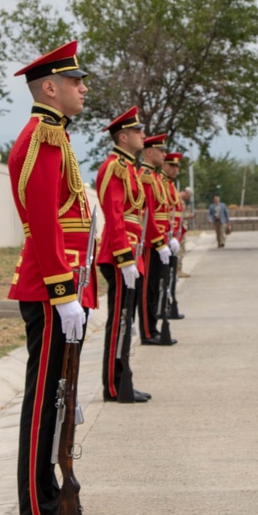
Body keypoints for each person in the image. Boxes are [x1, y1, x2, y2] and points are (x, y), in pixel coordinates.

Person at [6, 40, 95, 515]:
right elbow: (44, 221)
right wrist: (63, 293)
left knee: (54, 399)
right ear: (50, 87)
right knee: (42, 403)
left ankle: (45, 492)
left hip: (57, 285)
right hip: (48, 288)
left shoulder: (55, 135)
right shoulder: (43, 137)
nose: (84, 88)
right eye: (76, 81)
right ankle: (36, 504)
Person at [96, 106, 154, 401]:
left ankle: (124, 380)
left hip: (131, 252)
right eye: (138, 131)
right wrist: (125, 257)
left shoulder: (130, 167)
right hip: (120, 254)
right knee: (118, 321)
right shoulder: (114, 167)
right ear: (122, 137)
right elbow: (115, 215)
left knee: (125, 321)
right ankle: (115, 386)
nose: (143, 135)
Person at [137, 134, 174, 344]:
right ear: (149, 152)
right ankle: (147, 332)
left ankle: (152, 328)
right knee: (147, 290)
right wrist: (159, 242)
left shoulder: (156, 177)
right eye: (161, 151)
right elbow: (147, 214)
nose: (164, 154)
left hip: (159, 239)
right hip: (151, 242)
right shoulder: (146, 176)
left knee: (155, 288)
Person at [162, 152, 187, 314]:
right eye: (172, 165)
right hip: (165, 237)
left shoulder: (171, 185)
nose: (175, 169)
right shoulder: (162, 183)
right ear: (164, 165)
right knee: (163, 278)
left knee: (171, 276)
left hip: (174, 236)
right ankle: (164, 305)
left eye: (177, 166)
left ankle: (168, 303)